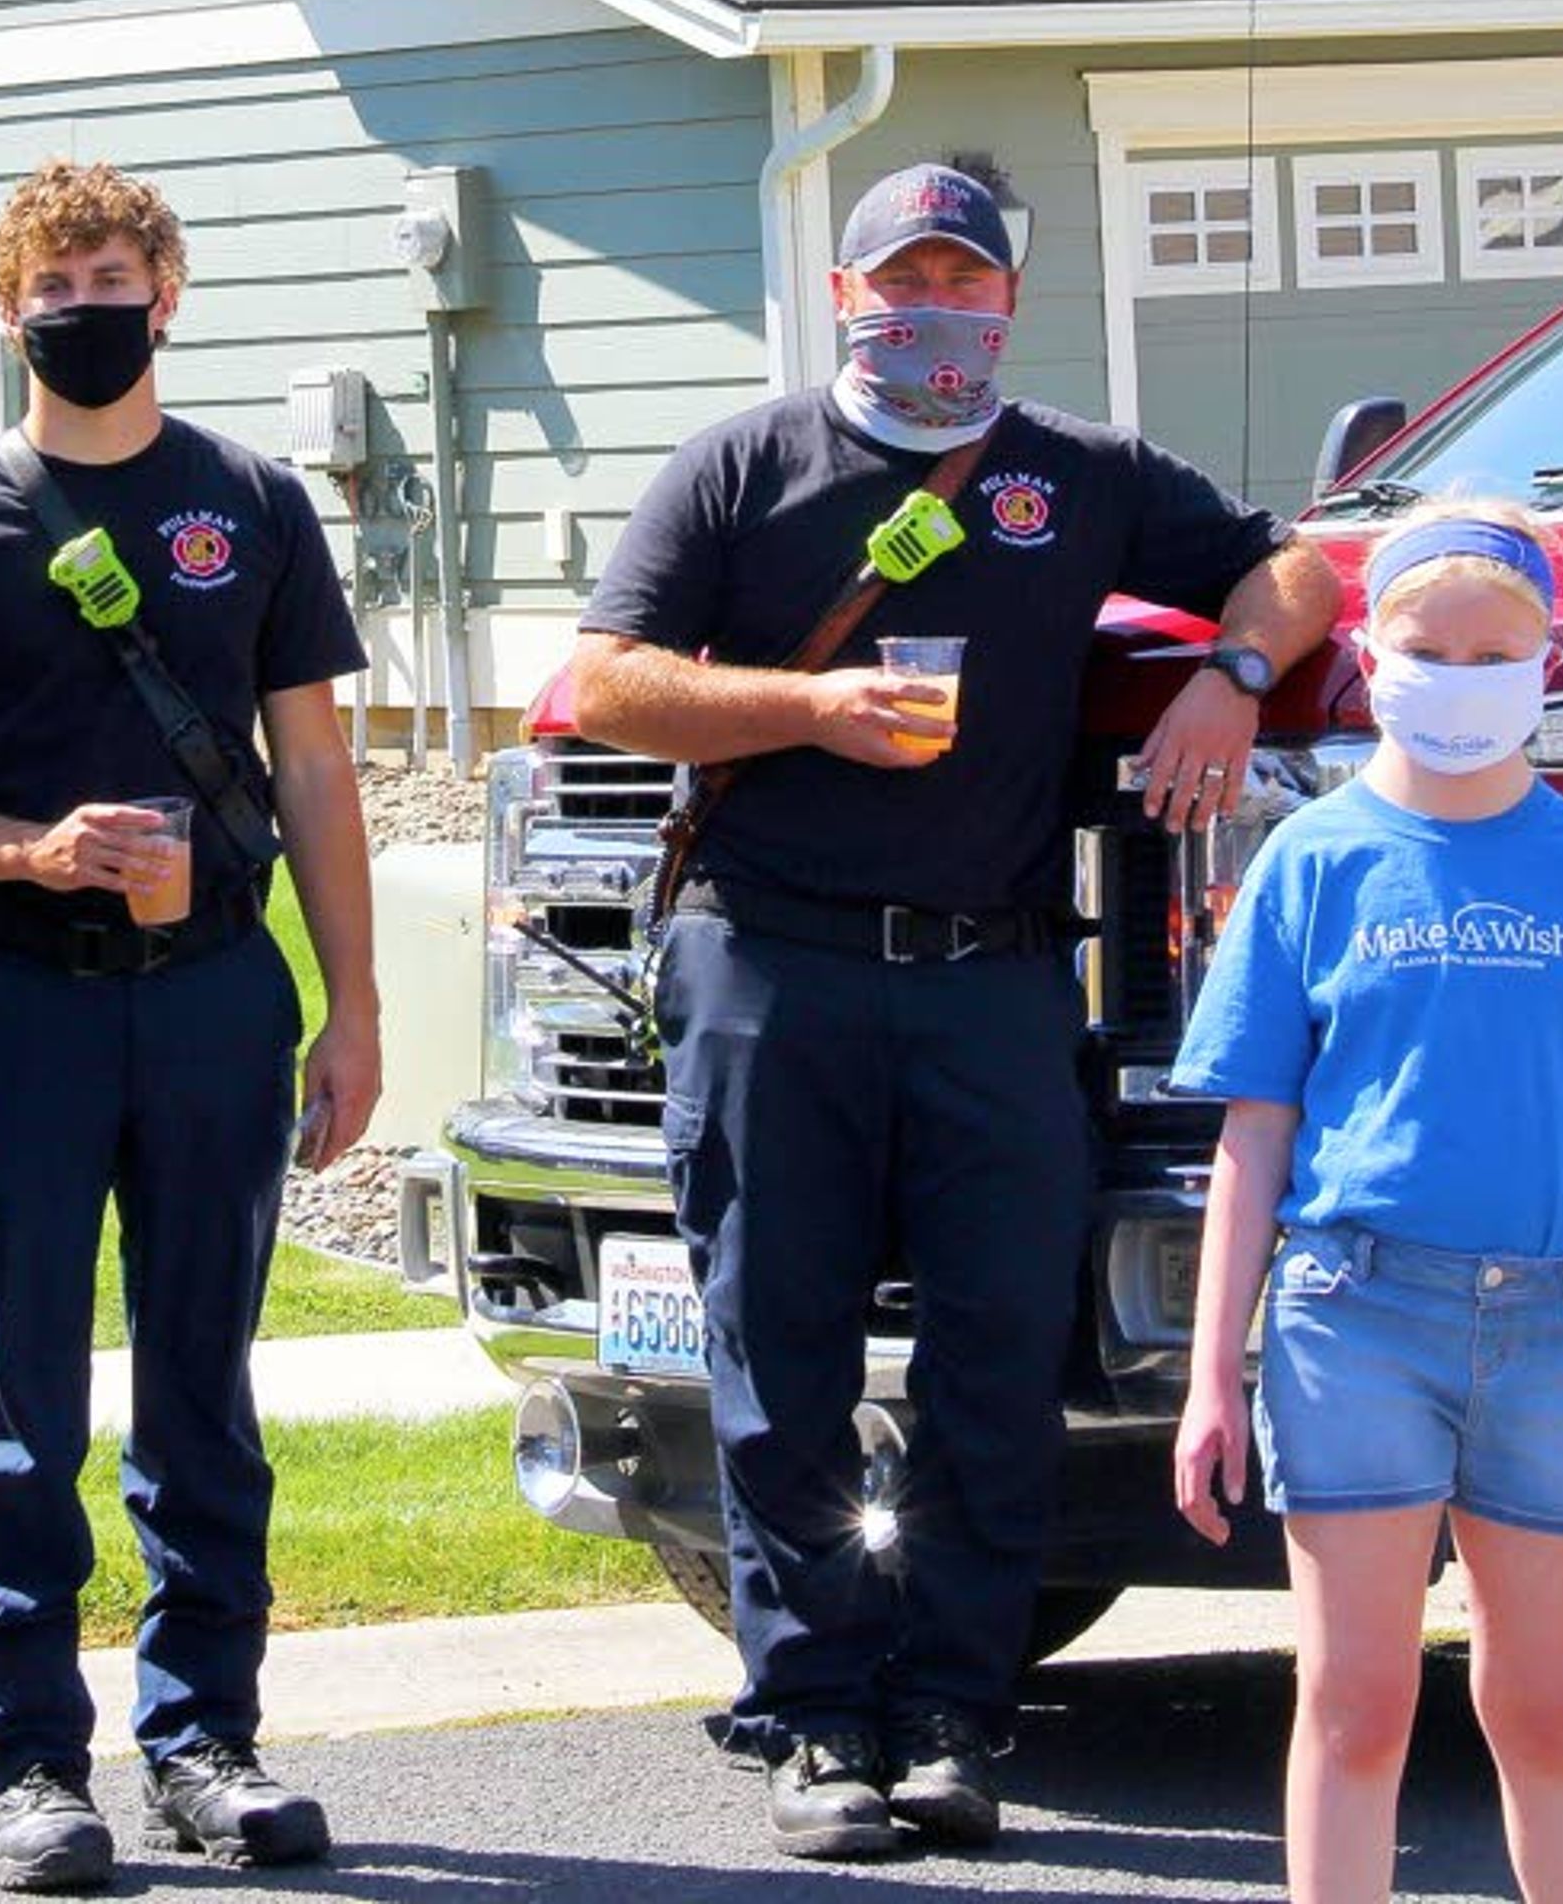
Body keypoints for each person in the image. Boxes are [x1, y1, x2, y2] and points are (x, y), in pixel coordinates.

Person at [572, 158, 1343, 1859]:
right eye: (902, 278)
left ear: (1006, 304)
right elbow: (606, 677)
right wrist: (808, 705)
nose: (934, 308)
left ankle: (953, 1711)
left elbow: (1294, 574)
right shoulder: (743, 464)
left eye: (964, 279)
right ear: (848, 295)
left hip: (993, 974)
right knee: (779, 1351)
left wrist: (1227, 679)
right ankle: (816, 1715)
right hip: (770, 963)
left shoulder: (1073, 474)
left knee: (1000, 1353)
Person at [0, 161, 379, 1896]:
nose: (85, 296)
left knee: (202, 1381)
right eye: (54, 273)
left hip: (215, 993)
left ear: (171, 290)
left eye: (114, 266)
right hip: (20, 1009)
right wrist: (26, 848)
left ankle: (205, 1734)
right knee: (20, 1388)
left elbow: (313, 765)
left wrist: (354, 1004)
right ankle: (30, 1757)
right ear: (10, 308)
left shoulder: (255, 502)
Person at [1168, 502, 1563, 1904]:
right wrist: (1211, 1378)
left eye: (1499, 649)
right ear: (1372, 653)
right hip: (1353, 1322)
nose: (1464, 672)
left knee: (1546, 1716)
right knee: (1356, 1704)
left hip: (1562, 1333)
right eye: (1431, 646)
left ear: (1549, 660)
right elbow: (1254, 1142)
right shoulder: (1312, 862)